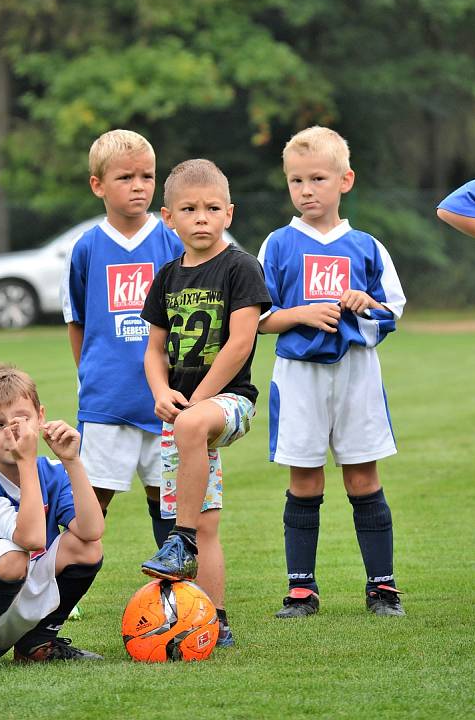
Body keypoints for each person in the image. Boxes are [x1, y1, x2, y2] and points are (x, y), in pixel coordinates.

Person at [257, 126, 407, 619]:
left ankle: (382, 588)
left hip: (357, 374)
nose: (306, 190)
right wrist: (301, 313)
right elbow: (257, 317)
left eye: (317, 178)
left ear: (345, 181)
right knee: (305, 478)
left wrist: (367, 303)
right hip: (299, 376)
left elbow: (394, 309)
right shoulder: (277, 245)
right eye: (296, 180)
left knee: (363, 476)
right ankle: (302, 590)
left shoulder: (366, 246)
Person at [139, 159, 271, 646]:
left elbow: (240, 342)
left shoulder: (240, 266)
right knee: (206, 520)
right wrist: (160, 393)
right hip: (183, 417)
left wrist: (197, 399)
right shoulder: (167, 277)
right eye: (189, 209)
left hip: (230, 401)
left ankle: (181, 541)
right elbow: (153, 348)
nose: (201, 217)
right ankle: (215, 619)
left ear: (229, 214)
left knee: (191, 436)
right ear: (168, 217)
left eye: (212, 208)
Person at [61, 130, 184, 548]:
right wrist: (92, 377)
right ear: (98, 185)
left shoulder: (173, 242)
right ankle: (62, 593)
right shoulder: (87, 248)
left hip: (168, 398)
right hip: (107, 400)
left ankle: (176, 596)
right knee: (92, 500)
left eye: (147, 177)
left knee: (168, 499)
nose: (139, 186)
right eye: (126, 177)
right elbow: (76, 320)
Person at [0, 363, 104, 675]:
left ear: (40, 417)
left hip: (14, 594)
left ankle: (37, 645)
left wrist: (72, 461)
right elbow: (31, 540)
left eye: (21, 419)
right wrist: (27, 461)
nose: (13, 431)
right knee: (14, 555)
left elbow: (92, 530)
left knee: (87, 548)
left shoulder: (51, 469)